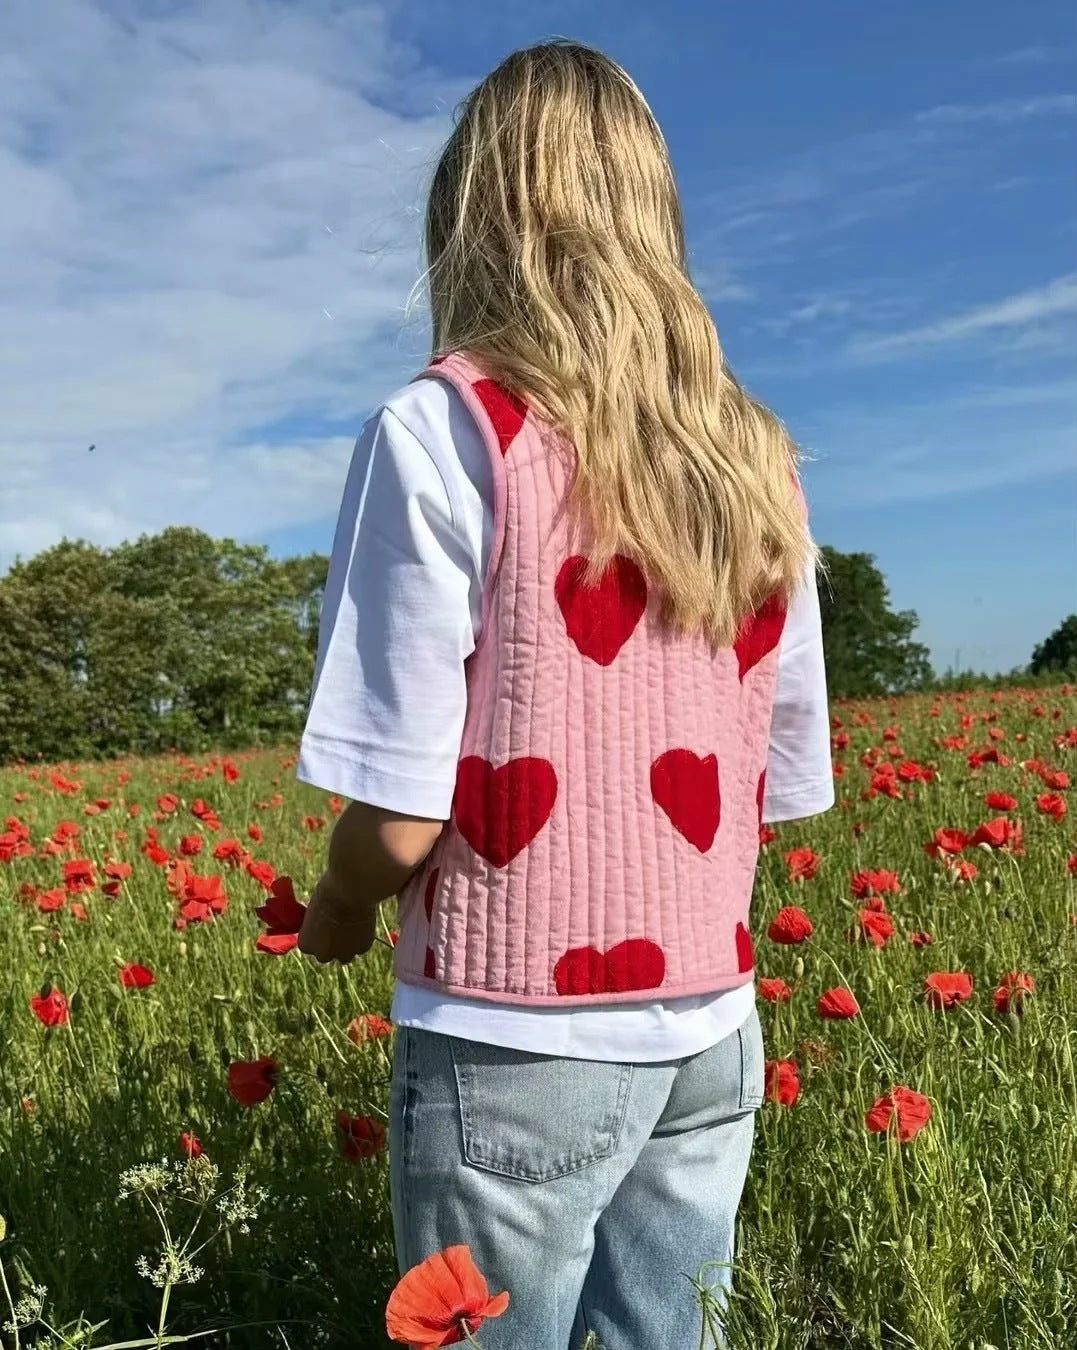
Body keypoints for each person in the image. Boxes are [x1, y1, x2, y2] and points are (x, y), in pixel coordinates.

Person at [296, 39, 834, 1350]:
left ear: (472, 215)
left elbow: (405, 816)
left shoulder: (447, 429)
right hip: (713, 1034)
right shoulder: (756, 457)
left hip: (510, 1044)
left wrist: (337, 901)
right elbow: (789, 774)